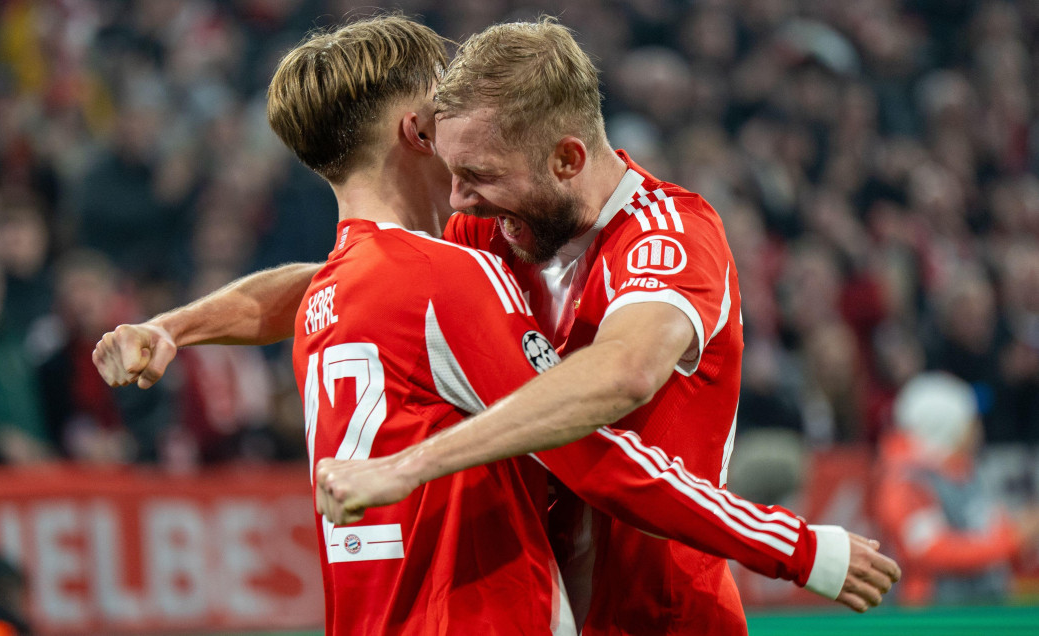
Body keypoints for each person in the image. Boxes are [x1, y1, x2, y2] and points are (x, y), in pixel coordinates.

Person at [93, 15, 899, 635]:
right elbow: (349, 281)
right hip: (520, 603)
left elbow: (614, 384)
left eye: (480, 176)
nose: (463, 200)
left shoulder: (666, 238)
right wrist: (177, 326)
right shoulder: (484, 238)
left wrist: (412, 465)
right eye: (457, 169)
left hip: (660, 611)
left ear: (567, 160)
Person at [875, 372, 1039, 606]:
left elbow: (993, 529)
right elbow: (927, 551)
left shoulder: (968, 471)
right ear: (946, 423)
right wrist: (1010, 542)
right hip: (937, 614)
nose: (978, 428)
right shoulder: (907, 480)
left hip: (987, 602)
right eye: (969, 420)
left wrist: (1023, 535)